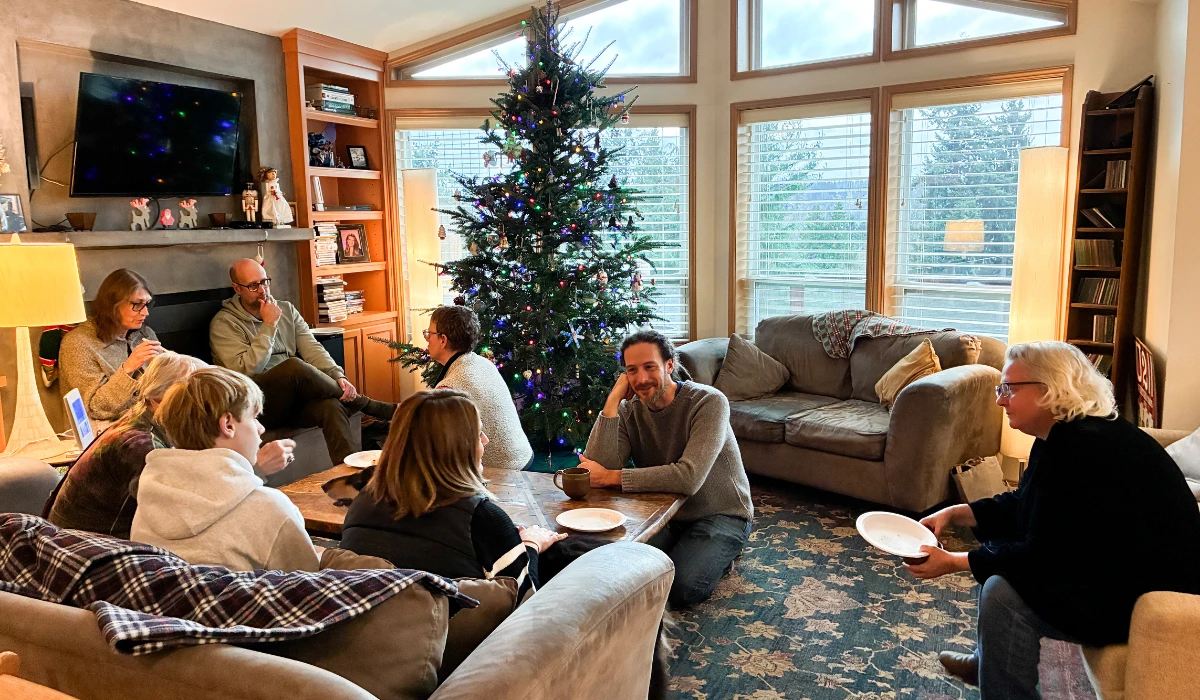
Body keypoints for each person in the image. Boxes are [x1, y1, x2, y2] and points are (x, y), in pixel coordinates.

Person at [906, 341, 1200, 699]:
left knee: (1002, 592)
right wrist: (954, 513)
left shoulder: (1083, 450)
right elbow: (1028, 505)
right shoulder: (1064, 434)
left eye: (1009, 389)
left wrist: (953, 561)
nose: (1000, 400)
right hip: (1114, 567)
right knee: (999, 552)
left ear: (1050, 389)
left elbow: (1044, 554)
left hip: (1142, 598)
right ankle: (988, 663)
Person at [579, 329, 755, 607]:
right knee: (619, 568)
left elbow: (688, 478)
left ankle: (725, 552)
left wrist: (612, 477)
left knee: (684, 587)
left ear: (669, 365)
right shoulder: (628, 408)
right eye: (632, 370)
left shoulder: (709, 402)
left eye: (650, 367)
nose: (641, 379)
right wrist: (611, 405)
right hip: (663, 510)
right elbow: (597, 468)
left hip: (720, 513)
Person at [46, 353, 298, 539]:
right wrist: (255, 469)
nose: (205, 403)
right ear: (159, 399)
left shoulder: (147, 420)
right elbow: (189, 512)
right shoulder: (141, 446)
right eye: (192, 393)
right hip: (92, 552)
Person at [341, 390, 564, 599]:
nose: (485, 440)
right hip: (449, 627)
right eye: (478, 434)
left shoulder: (362, 500)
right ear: (457, 448)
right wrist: (531, 544)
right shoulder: (483, 518)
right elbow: (524, 601)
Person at [131, 366, 319, 572]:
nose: (261, 428)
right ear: (228, 425)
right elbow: (309, 583)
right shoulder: (271, 509)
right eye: (254, 417)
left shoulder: (148, 503)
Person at [209, 258, 395, 465]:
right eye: (254, 286)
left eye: (265, 282)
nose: (262, 290)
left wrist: (337, 375)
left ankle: (348, 473)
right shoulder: (224, 324)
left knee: (331, 406)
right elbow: (246, 371)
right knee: (293, 366)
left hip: (294, 398)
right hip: (256, 405)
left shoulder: (286, 310)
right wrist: (269, 326)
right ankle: (367, 405)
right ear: (237, 288)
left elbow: (312, 348)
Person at [426, 305, 533, 471]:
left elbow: (439, 444)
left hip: (502, 470)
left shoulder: (450, 386)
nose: (427, 338)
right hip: (522, 455)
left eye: (429, 333)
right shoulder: (480, 362)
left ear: (443, 340)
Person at [60, 269, 165, 421]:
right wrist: (127, 369)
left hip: (148, 422)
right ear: (112, 305)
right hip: (106, 429)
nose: (145, 312)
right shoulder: (78, 343)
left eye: (147, 304)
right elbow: (94, 409)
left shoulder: (144, 334)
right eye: (137, 304)